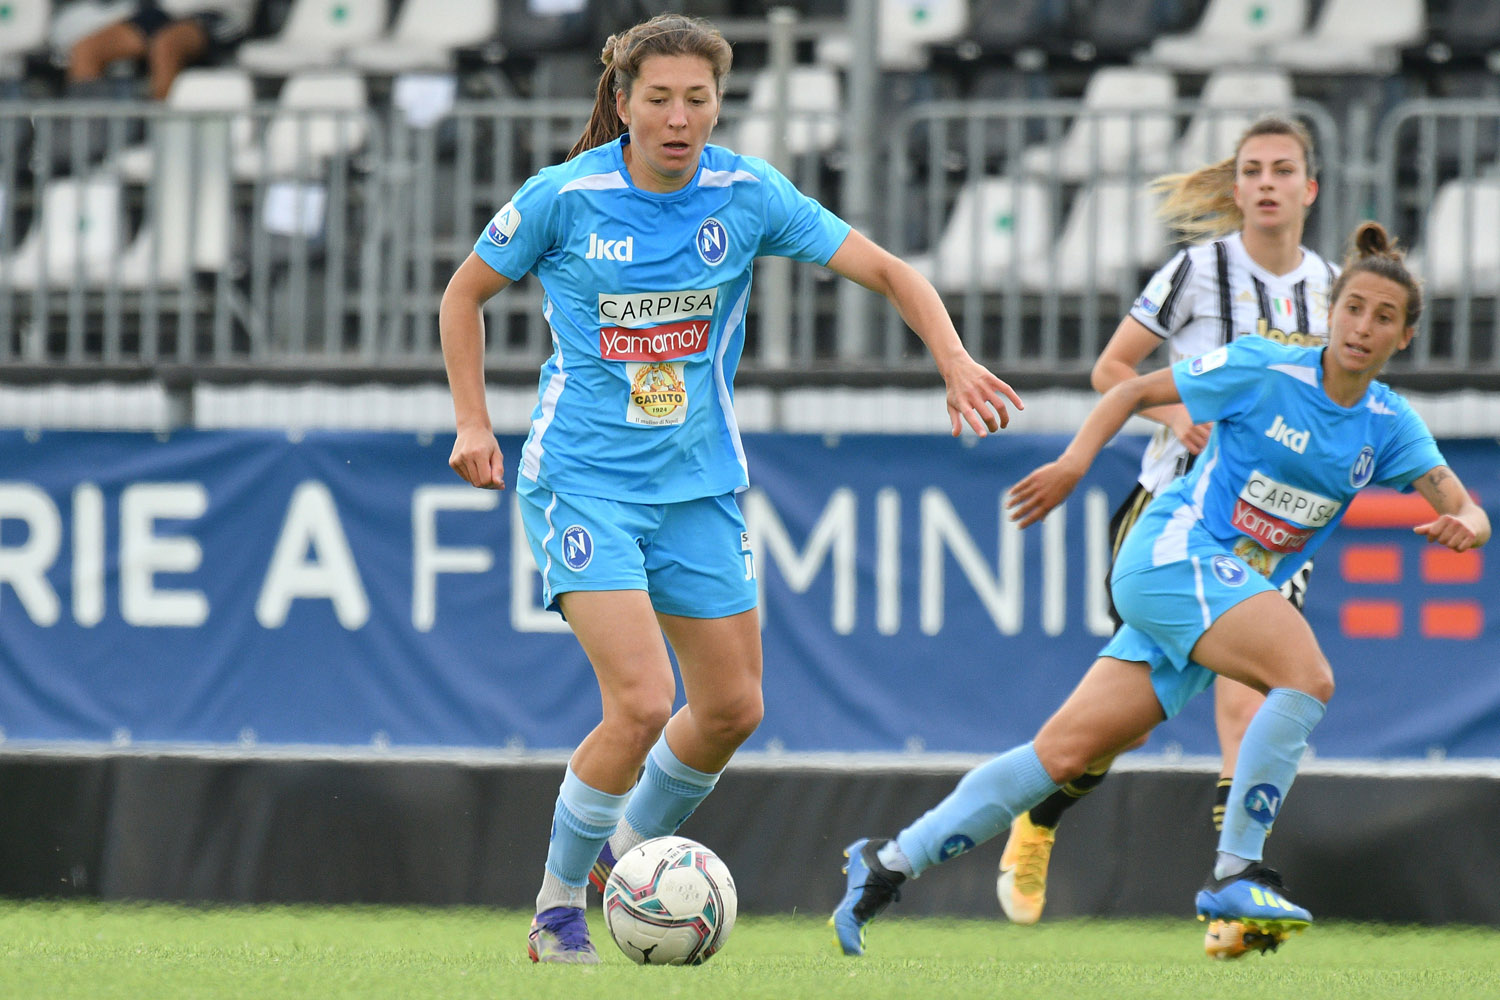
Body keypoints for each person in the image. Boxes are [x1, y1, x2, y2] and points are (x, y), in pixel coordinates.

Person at [438, 13, 1023, 965]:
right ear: (623, 101)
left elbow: (887, 270)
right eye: (659, 99)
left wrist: (953, 358)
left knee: (731, 710)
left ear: (719, 106)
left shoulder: (747, 194)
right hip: (583, 482)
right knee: (639, 702)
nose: (678, 118)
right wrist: (473, 421)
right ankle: (556, 913)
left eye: (697, 100)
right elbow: (462, 294)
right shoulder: (565, 196)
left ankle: (622, 863)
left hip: (696, 486)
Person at [831, 221, 1489, 960]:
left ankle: (887, 863)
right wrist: (1074, 465)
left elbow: (1463, 505)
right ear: (1331, 311)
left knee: (1061, 754)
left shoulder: (1388, 424)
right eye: (1354, 308)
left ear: (1405, 337)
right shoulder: (1267, 367)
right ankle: (1237, 871)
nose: (1363, 327)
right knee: (1306, 677)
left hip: (1211, 590)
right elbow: (1132, 388)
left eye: (1384, 317)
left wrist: (1467, 524)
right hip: (1173, 556)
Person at [995, 115, 1342, 933]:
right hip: (1172, 516)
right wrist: (1176, 411)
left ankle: (1233, 899)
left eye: (1281, 170)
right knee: (1127, 728)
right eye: (1252, 170)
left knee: (1249, 704)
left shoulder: (1332, 290)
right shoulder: (1197, 271)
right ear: (1237, 187)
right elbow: (1111, 368)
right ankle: (1040, 817)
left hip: (1269, 533)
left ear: (1309, 188)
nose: (1266, 183)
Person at [66, 1, 254, 100]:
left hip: (219, 13)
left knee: (165, 46)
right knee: (86, 50)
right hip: (167, 11)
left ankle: (160, 135)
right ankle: (88, 141)